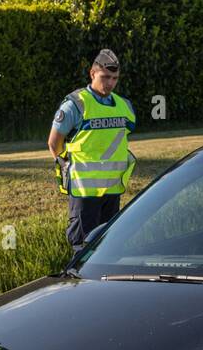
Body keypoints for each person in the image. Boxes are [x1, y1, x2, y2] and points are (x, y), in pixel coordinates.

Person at [49, 49, 137, 250]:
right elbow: (54, 143)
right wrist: (65, 167)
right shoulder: (76, 105)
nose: (110, 83)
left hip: (113, 189)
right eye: (105, 77)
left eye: (114, 78)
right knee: (82, 246)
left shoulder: (124, 106)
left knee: (109, 244)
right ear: (92, 74)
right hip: (84, 189)